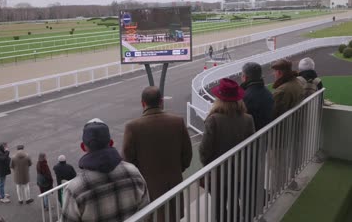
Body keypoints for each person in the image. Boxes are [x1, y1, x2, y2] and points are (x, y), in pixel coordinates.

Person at [123, 86, 192, 221]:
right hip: (174, 183)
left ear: (143, 103)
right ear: (161, 101)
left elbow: (127, 161)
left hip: (147, 189)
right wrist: (177, 170)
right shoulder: (177, 121)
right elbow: (187, 155)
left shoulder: (132, 127)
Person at [61, 118, 149, 222]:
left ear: (83, 147)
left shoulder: (75, 189)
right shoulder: (134, 172)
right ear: (111, 143)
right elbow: (146, 211)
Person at [199, 78, 255, 222]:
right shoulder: (248, 119)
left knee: (218, 207)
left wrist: (206, 166)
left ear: (219, 99)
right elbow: (252, 144)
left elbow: (205, 150)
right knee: (234, 199)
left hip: (217, 173)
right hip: (239, 170)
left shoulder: (213, 119)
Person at [241, 62, 274, 131]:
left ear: (245, 77)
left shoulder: (245, 97)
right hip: (269, 131)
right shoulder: (268, 92)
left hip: (256, 136)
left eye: (242, 75)